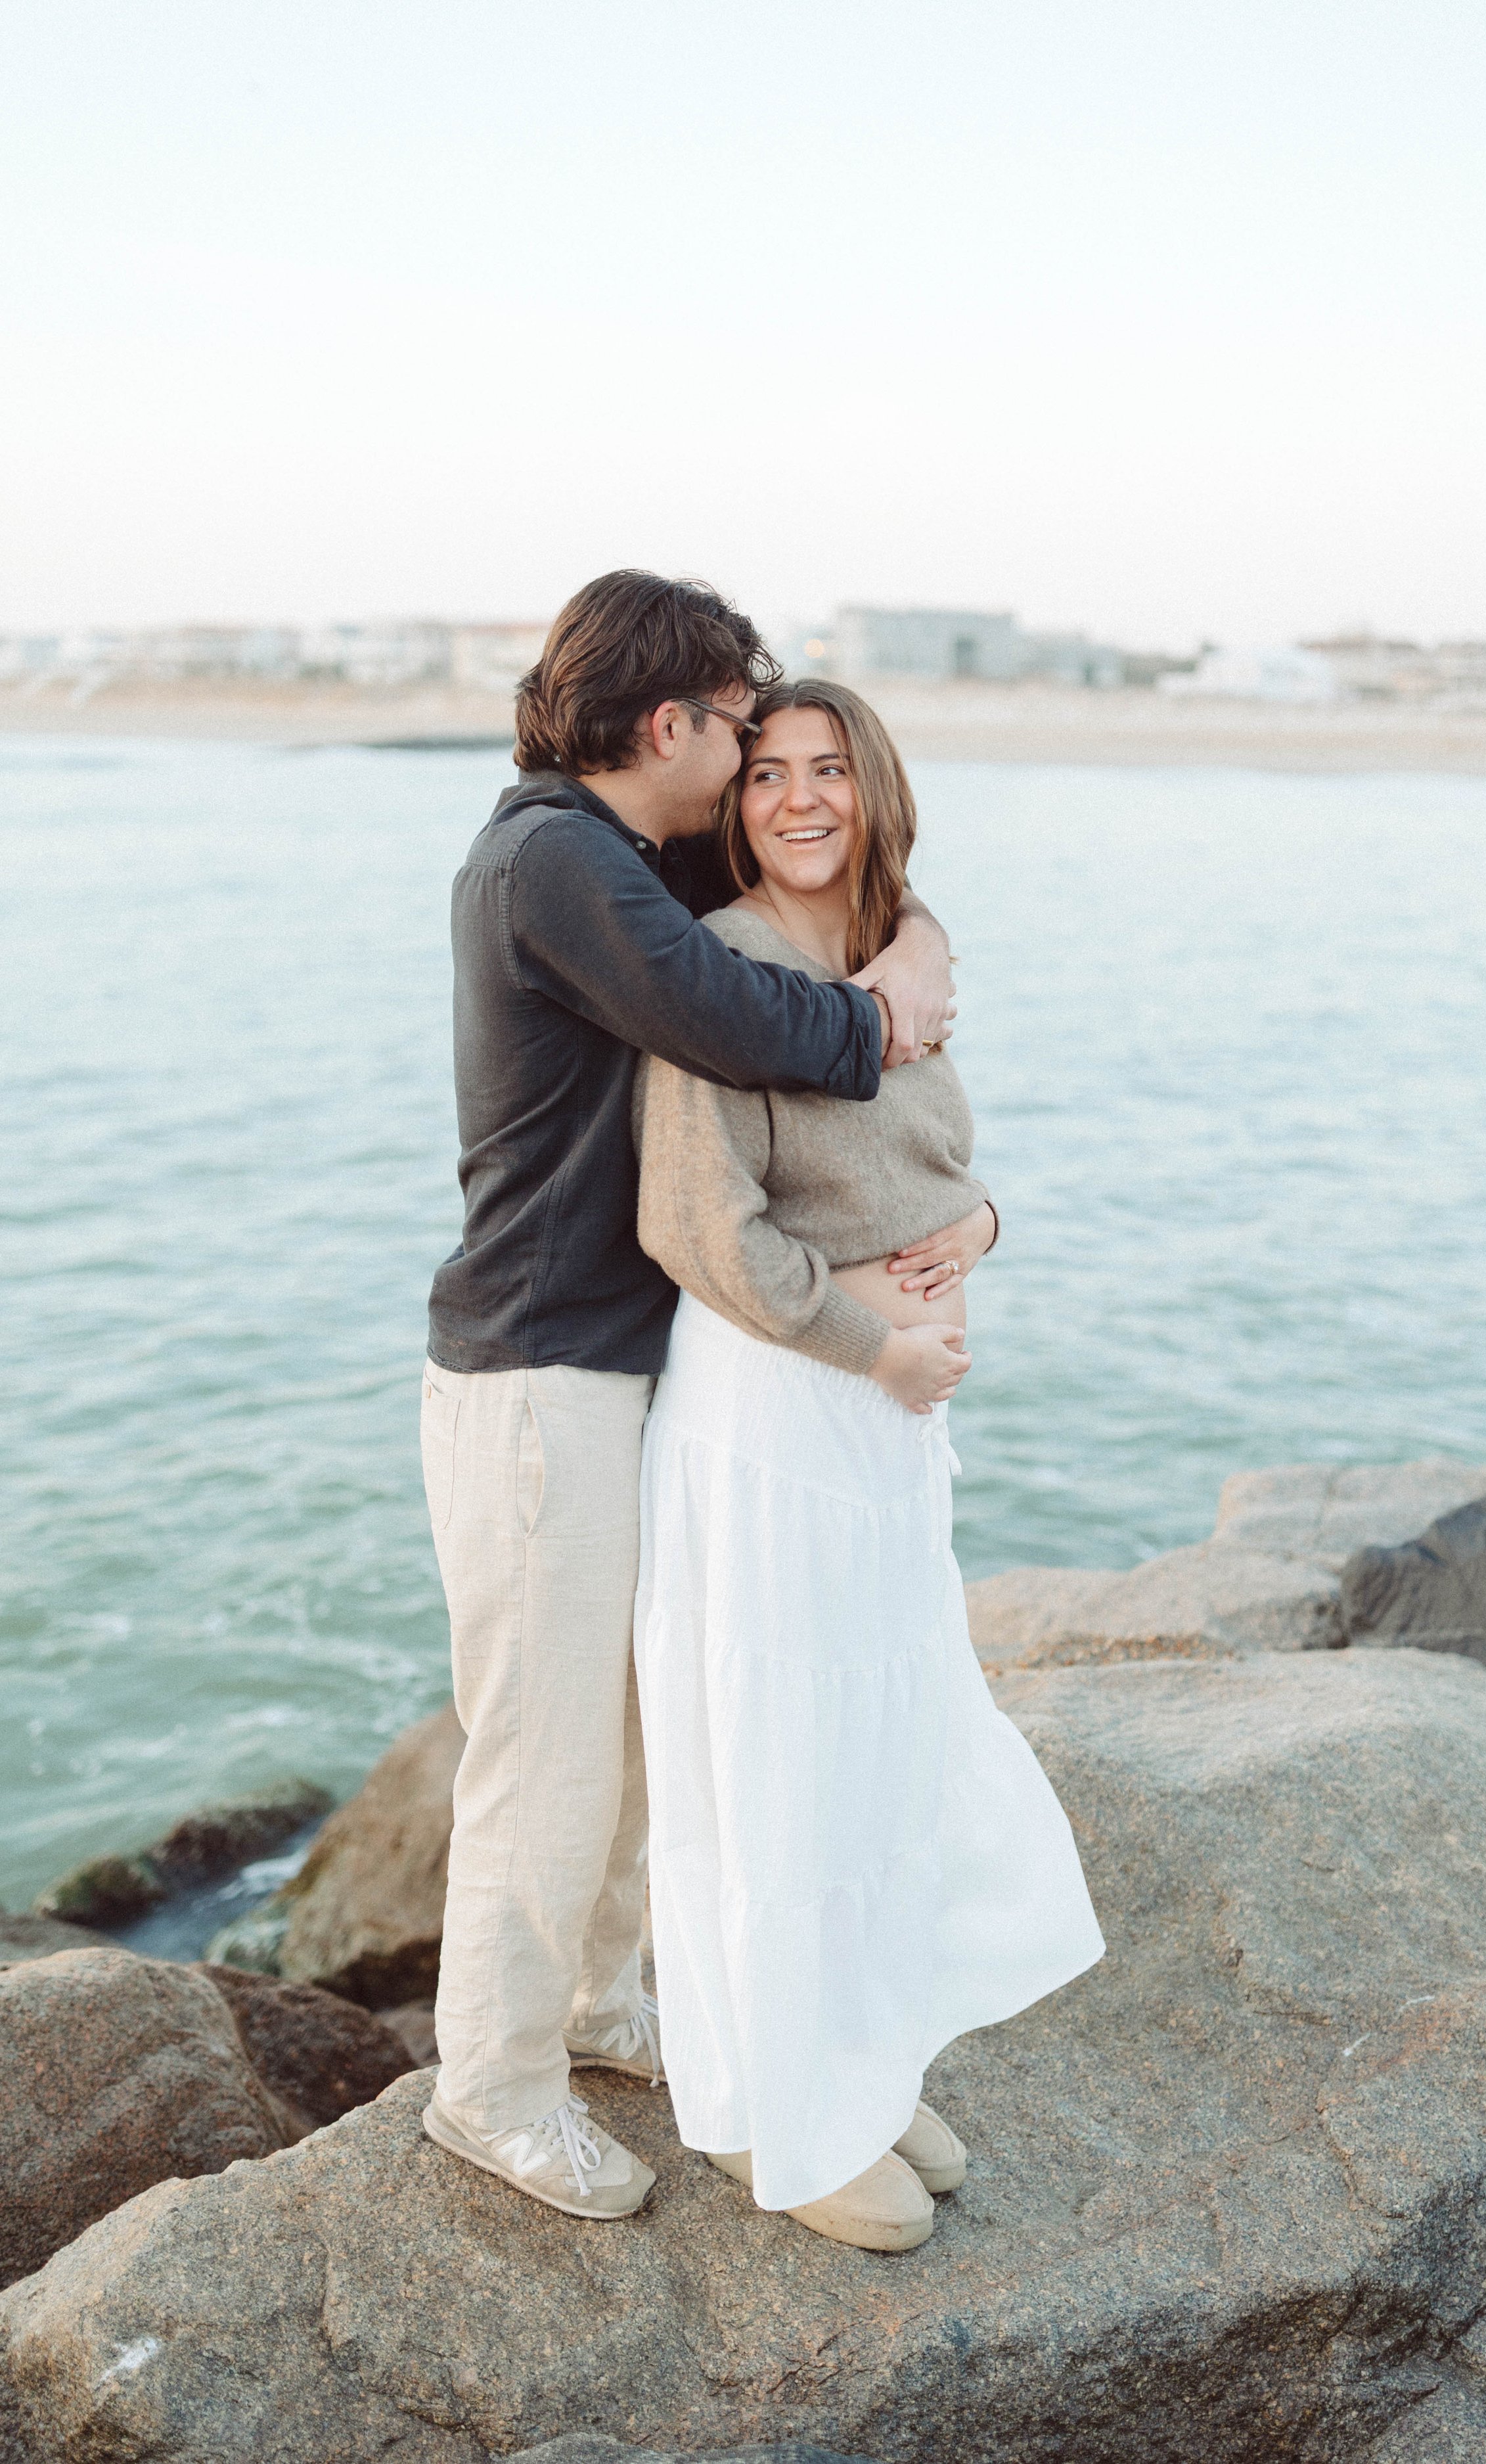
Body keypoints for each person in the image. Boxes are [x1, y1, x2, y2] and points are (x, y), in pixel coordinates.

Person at [418, 574, 963, 2223]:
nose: (750, 772)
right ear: (669, 723)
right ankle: (490, 2094)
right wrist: (879, 1016)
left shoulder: (607, 856)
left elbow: (818, 879)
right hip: (539, 1373)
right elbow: (734, 1011)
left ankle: (593, 2013)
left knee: (639, 1736)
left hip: (614, 1370)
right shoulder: (551, 859)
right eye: (737, 732)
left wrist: (917, 934)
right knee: (547, 1755)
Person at [631, 679, 1104, 2254]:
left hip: (884, 1422)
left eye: (830, 769)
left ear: (873, 786)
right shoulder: (726, 978)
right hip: (779, 1407)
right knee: (777, 1760)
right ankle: (783, 2112)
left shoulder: (891, 953)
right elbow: (699, 1225)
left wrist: (976, 1234)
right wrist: (875, 1340)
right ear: (733, 803)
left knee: (874, 1751)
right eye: (767, 774)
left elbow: (937, 1169)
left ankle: (852, 2056)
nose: (799, 799)